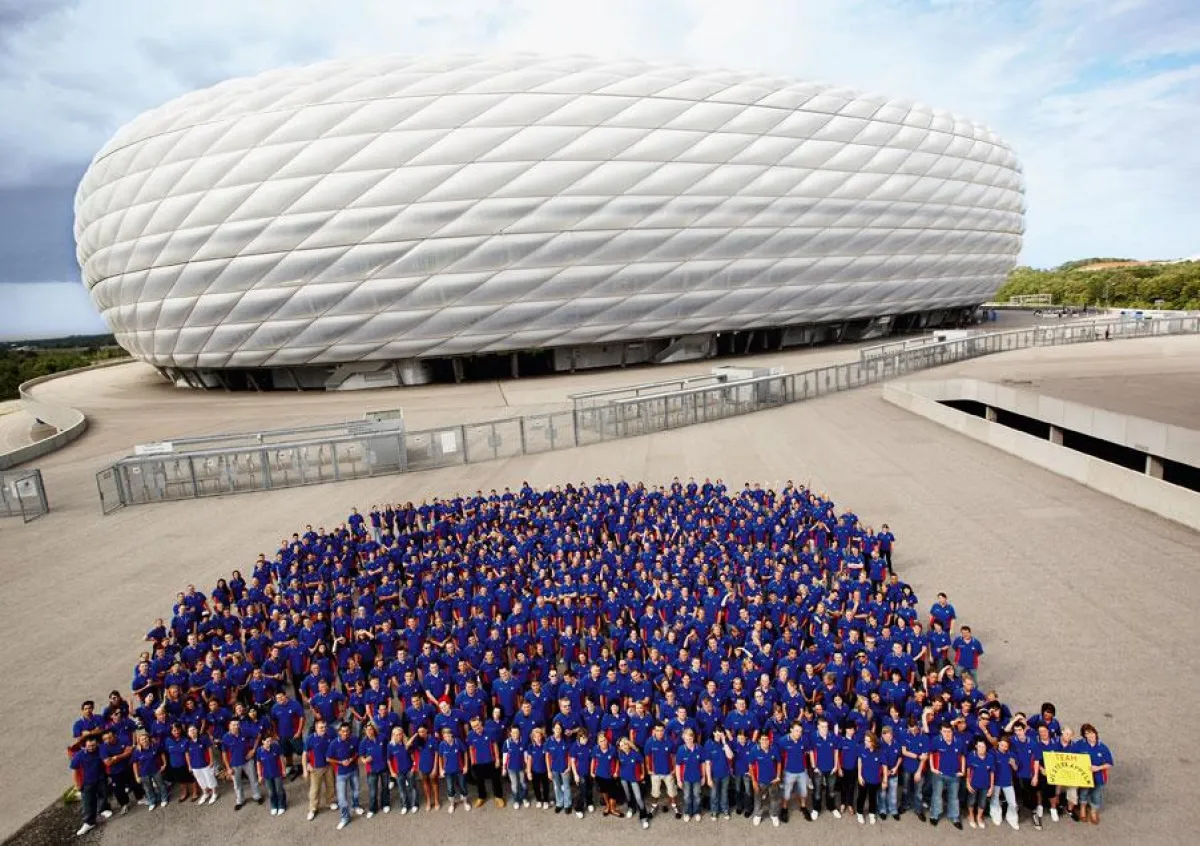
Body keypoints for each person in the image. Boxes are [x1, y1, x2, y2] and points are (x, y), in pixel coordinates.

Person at [70, 736, 114, 836]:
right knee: (88, 802)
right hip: (87, 782)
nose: (92, 747)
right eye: (89, 746)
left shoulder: (100, 750)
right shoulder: (79, 755)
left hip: (101, 779)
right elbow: (74, 770)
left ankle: (104, 809)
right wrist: (77, 785)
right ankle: (89, 822)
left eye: (93, 745)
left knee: (103, 795)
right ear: (85, 746)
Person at [928, 722, 964, 829]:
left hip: (954, 774)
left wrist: (962, 770)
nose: (947, 734)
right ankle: (935, 815)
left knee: (954, 797)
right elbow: (931, 753)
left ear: (952, 731)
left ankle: (955, 817)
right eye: (944, 731)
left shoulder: (959, 741)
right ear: (941, 731)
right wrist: (932, 768)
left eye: (949, 731)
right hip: (939, 774)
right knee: (937, 795)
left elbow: (962, 756)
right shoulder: (936, 740)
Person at [328, 722, 364, 829]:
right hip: (341, 774)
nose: (345, 733)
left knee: (356, 790)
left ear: (350, 731)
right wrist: (340, 762)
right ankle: (345, 818)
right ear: (339, 732)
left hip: (353, 770)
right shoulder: (334, 743)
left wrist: (352, 759)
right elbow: (328, 758)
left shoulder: (355, 739)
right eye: (343, 731)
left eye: (347, 731)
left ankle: (356, 805)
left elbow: (358, 752)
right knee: (342, 798)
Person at [222, 718, 263, 810]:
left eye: (237, 724)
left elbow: (258, 735)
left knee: (253, 779)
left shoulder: (244, 731)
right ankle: (240, 800)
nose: (236, 726)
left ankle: (257, 796)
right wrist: (228, 768)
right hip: (234, 764)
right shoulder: (225, 737)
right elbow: (224, 753)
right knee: (237, 784)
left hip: (247, 761)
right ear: (229, 726)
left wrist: (253, 750)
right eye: (233, 725)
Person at [1077, 723, 1113, 826]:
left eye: (1092, 732)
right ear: (1084, 736)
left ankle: (1093, 812)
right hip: (1084, 777)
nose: (1091, 735)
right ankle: (1083, 808)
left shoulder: (1103, 747)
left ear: (1095, 733)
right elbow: (1071, 756)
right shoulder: (1079, 745)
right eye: (1087, 733)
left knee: (1096, 795)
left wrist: (1098, 768)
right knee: (1083, 793)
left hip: (1099, 777)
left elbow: (1109, 763)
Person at [303, 718, 337, 821]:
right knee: (315, 789)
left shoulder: (330, 736)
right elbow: (305, 754)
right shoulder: (310, 739)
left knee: (331, 785)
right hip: (315, 768)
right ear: (316, 728)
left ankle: (330, 802)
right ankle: (312, 809)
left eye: (325, 727)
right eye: (321, 727)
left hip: (328, 766)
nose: (323, 729)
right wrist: (305, 768)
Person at [616, 736, 651, 828]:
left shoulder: (635, 753)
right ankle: (631, 808)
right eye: (621, 745)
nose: (623, 746)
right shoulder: (620, 754)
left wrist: (643, 774)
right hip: (624, 778)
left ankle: (643, 817)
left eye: (625, 744)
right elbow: (618, 764)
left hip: (634, 778)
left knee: (638, 797)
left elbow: (642, 763)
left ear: (628, 744)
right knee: (628, 795)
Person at [749, 732, 781, 827]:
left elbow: (779, 762)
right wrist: (753, 781)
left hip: (773, 780)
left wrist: (778, 776)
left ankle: (774, 815)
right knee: (758, 798)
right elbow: (750, 766)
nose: (764, 741)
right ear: (759, 740)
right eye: (762, 739)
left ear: (769, 741)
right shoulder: (754, 750)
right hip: (760, 781)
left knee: (774, 798)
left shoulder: (774, 749)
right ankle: (758, 815)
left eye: (766, 739)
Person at [702, 727, 734, 820]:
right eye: (717, 732)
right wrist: (708, 778)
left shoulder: (726, 743)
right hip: (714, 775)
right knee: (714, 794)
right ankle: (714, 811)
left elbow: (730, 756)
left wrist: (724, 742)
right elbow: (707, 762)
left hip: (725, 774)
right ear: (713, 733)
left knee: (724, 794)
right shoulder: (708, 744)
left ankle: (725, 810)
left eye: (720, 732)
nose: (719, 734)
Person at [131, 733, 168, 811]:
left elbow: (162, 754)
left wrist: (164, 764)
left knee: (161, 785)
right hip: (144, 773)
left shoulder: (155, 746)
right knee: (148, 789)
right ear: (139, 742)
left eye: (145, 738)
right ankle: (152, 802)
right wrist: (137, 776)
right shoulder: (137, 751)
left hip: (156, 770)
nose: (144, 740)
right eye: (142, 739)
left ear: (149, 739)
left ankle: (164, 798)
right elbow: (135, 764)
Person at [990, 735, 1020, 830]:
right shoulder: (992, 753)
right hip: (995, 781)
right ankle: (995, 815)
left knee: (1012, 803)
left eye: (1006, 746)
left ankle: (1011, 818)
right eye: (1002, 745)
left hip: (1007, 782)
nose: (1004, 748)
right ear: (998, 743)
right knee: (995, 800)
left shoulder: (1011, 754)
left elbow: (1016, 768)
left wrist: (1013, 764)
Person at [359, 722, 389, 817]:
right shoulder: (363, 742)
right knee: (373, 790)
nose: (369, 731)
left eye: (370, 729)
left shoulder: (382, 738)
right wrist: (364, 760)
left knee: (385, 787)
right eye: (367, 730)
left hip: (384, 767)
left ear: (374, 729)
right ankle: (372, 809)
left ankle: (385, 804)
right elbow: (361, 756)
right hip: (372, 769)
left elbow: (387, 749)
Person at [437, 726, 469, 813]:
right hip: (448, 771)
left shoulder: (458, 742)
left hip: (459, 769)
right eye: (444, 736)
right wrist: (441, 769)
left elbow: (465, 752)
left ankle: (465, 803)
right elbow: (440, 756)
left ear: (452, 735)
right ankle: (452, 804)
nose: (447, 738)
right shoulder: (442, 744)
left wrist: (466, 765)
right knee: (450, 788)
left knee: (463, 786)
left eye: (448, 736)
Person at [675, 728, 704, 822]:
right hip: (686, 778)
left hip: (697, 777)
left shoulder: (699, 748)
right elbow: (678, 766)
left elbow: (702, 764)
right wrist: (678, 780)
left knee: (697, 796)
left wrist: (703, 776)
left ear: (693, 738)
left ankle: (697, 812)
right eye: (686, 738)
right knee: (687, 796)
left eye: (690, 738)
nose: (688, 740)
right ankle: (687, 813)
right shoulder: (681, 750)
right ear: (683, 738)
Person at [856, 732, 886, 824]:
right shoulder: (862, 748)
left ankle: (871, 813)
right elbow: (860, 761)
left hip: (875, 780)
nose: (866, 742)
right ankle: (859, 813)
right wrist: (859, 776)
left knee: (872, 797)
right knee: (861, 796)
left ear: (873, 742)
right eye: (865, 740)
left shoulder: (880, 751)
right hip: (863, 778)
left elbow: (884, 766)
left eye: (868, 741)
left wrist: (885, 780)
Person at [965, 737, 994, 829]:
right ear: (976, 746)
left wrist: (991, 787)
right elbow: (968, 770)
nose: (981, 748)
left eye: (983, 746)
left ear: (986, 747)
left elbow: (992, 772)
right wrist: (968, 783)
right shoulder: (971, 755)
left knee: (982, 802)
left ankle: (979, 817)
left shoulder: (990, 757)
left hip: (985, 785)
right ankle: (971, 816)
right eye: (980, 746)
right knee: (971, 801)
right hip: (973, 784)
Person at [185, 724, 218, 805]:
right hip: (195, 766)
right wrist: (189, 765)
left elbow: (209, 749)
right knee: (201, 781)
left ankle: (214, 793)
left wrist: (211, 761)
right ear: (188, 733)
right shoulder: (187, 743)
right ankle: (206, 793)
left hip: (206, 764)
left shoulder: (203, 739)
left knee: (210, 779)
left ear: (197, 730)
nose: (192, 731)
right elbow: (187, 754)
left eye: (194, 729)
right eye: (190, 730)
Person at [257, 733, 288, 816]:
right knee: (271, 792)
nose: (269, 743)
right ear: (263, 741)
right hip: (267, 774)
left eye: (270, 741)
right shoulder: (259, 751)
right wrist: (259, 775)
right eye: (267, 741)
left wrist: (284, 770)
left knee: (279, 790)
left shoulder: (276, 747)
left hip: (277, 772)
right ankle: (274, 806)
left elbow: (282, 758)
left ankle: (282, 805)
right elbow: (258, 763)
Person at [546, 722, 572, 813]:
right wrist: (549, 771)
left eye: (559, 729)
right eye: (556, 728)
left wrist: (569, 767)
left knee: (566, 786)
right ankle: (559, 803)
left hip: (565, 768)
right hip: (554, 768)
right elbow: (547, 756)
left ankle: (567, 804)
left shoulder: (566, 740)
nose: (558, 730)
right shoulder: (549, 740)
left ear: (561, 730)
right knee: (556, 786)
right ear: (553, 729)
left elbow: (569, 755)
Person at [570, 728, 595, 818]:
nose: (585, 740)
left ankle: (589, 803)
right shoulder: (574, 746)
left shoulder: (590, 744)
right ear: (578, 738)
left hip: (589, 771)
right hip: (580, 772)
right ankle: (578, 808)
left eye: (586, 738)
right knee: (583, 791)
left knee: (589, 788)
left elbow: (593, 758)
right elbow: (572, 761)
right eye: (583, 738)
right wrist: (575, 774)